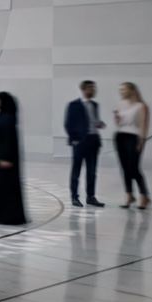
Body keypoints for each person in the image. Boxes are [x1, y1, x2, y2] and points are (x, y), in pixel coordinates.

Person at [64, 80, 106, 208]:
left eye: (94, 88)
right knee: (76, 170)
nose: (93, 91)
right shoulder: (73, 105)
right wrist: (74, 139)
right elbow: (68, 124)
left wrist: (99, 124)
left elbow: (94, 120)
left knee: (92, 170)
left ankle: (91, 196)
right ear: (83, 89)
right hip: (80, 141)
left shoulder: (95, 104)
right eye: (90, 88)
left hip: (93, 139)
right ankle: (74, 197)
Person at [0, 91, 27, 225]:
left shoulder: (7, 117)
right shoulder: (5, 115)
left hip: (5, 158)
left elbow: (7, 139)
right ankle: (3, 215)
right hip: (2, 156)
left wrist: (5, 157)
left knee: (6, 188)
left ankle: (8, 216)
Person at [113, 82, 151, 210]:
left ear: (131, 90)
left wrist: (142, 141)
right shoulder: (120, 105)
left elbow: (143, 125)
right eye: (120, 89)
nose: (121, 92)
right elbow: (119, 123)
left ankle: (143, 195)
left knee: (133, 168)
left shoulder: (141, 106)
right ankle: (129, 195)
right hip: (120, 136)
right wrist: (116, 118)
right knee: (124, 168)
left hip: (133, 137)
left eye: (123, 89)